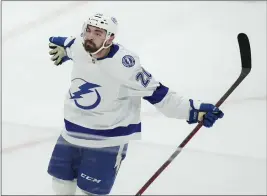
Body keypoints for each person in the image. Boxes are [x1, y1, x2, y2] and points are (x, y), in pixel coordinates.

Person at [47, 13, 224, 195]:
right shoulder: (78, 45)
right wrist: (61, 48)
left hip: (105, 142)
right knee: (60, 184)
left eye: (98, 33)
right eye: (88, 30)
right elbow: (66, 44)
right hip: (70, 135)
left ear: (110, 38)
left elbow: (159, 94)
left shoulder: (125, 66)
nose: (90, 36)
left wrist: (192, 111)